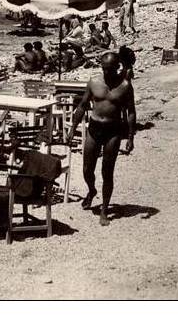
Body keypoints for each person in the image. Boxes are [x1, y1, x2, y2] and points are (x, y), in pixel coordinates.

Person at [67, 48, 137, 226]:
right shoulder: (94, 82)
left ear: (117, 67)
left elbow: (131, 112)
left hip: (113, 131)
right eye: (104, 68)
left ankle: (105, 209)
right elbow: (82, 106)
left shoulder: (125, 87)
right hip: (94, 128)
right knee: (87, 169)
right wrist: (72, 128)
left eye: (110, 69)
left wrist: (130, 137)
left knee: (107, 171)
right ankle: (91, 191)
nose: (107, 72)